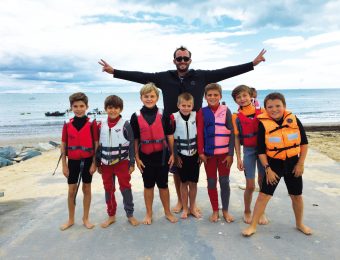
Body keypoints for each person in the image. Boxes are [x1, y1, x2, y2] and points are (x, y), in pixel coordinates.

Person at [99, 46, 266, 211]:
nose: (182, 61)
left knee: (193, 167)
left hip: (195, 128)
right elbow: (141, 76)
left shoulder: (200, 75)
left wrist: (252, 64)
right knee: (177, 168)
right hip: (172, 129)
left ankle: (191, 203)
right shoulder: (165, 77)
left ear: (190, 60)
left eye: (186, 58)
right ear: (174, 61)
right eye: (179, 58)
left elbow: (225, 72)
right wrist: (114, 71)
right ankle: (180, 200)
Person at [242, 92, 312, 237]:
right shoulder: (263, 124)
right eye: (270, 107)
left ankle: (299, 223)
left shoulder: (293, 119)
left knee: (296, 196)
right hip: (274, 165)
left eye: (278, 106)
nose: (274, 109)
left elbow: (304, 144)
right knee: (263, 196)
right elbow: (261, 151)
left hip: (293, 164)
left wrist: (300, 164)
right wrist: (267, 169)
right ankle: (253, 226)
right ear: (265, 109)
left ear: (284, 106)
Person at [130, 83, 178, 224]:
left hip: (162, 156)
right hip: (145, 157)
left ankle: (167, 212)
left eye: (152, 96)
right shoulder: (135, 116)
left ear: (157, 97)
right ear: (141, 98)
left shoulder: (164, 114)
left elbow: (170, 136)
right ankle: (149, 214)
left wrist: (173, 154)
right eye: (146, 96)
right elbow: (135, 139)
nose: (149, 99)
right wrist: (136, 158)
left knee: (163, 185)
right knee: (148, 185)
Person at [96, 95, 139, 228]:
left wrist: (132, 163)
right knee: (108, 189)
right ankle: (111, 215)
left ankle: (130, 214)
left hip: (122, 163)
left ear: (120, 109)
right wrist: (98, 163)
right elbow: (98, 146)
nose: (113, 110)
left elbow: (131, 144)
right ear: (105, 109)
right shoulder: (100, 125)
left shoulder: (126, 125)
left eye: (116, 108)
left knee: (125, 188)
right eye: (110, 108)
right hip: (105, 164)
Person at [60, 92, 98, 231]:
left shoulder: (92, 124)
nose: (79, 109)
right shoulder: (67, 124)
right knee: (71, 190)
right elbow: (63, 145)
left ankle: (85, 218)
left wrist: (95, 163)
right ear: (71, 108)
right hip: (73, 162)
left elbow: (96, 144)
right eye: (75, 106)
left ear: (87, 107)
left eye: (81, 106)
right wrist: (64, 165)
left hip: (88, 160)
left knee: (86, 188)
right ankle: (71, 219)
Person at [196, 83, 235, 223]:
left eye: (215, 95)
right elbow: (199, 133)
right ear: (205, 97)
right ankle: (215, 210)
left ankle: (225, 210)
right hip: (209, 156)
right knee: (211, 182)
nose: (212, 97)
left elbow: (232, 133)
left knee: (224, 182)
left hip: (224, 155)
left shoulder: (226, 110)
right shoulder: (201, 112)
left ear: (220, 96)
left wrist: (231, 154)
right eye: (209, 95)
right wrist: (200, 152)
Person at [231, 85, 267, 224]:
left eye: (244, 95)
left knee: (262, 183)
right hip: (249, 151)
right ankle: (247, 210)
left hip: (263, 151)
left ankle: (261, 211)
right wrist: (239, 158)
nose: (242, 99)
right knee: (251, 185)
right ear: (235, 100)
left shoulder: (262, 111)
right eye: (238, 97)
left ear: (251, 95)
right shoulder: (236, 117)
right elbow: (236, 138)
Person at [172, 92, 201, 219]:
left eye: (189, 105)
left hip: (195, 155)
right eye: (183, 105)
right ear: (178, 105)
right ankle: (185, 208)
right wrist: (175, 155)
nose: (186, 108)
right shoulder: (173, 117)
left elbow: (201, 135)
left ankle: (192, 206)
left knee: (193, 183)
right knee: (183, 183)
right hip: (181, 156)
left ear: (193, 106)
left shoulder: (196, 116)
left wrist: (201, 153)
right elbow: (171, 138)